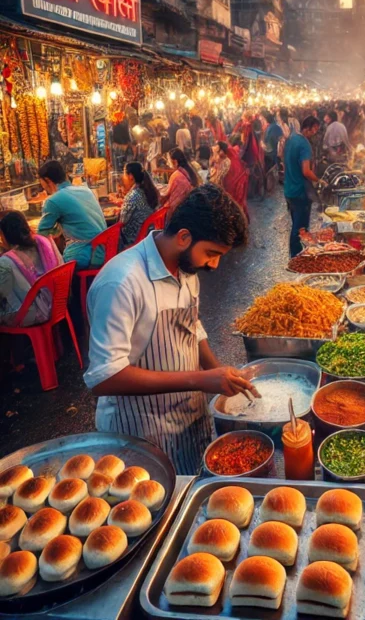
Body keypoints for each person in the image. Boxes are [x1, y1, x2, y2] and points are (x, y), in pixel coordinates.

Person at [84, 185, 256, 473]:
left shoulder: (186, 269)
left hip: (189, 422)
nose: (214, 265)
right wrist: (200, 380)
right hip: (140, 432)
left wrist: (221, 378)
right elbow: (104, 378)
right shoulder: (122, 282)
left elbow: (192, 326)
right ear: (184, 237)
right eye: (211, 253)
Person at [37, 160, 107, 268]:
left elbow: (41, 235)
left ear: (47, 180)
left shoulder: (52, 201)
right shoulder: (86, 190)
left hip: (84, 255)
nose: (43, 189)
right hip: (104, 249)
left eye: (43, 185)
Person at [0, 211, 63, 326]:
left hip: (33, 314)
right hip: (59, 303)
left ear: (5, 236)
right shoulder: (44, 241)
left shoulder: (7, 261)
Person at [284, 116, 322, 257]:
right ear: (307, 128)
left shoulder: (291, 139)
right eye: (314, 130)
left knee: (296, 223)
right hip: (300, 191)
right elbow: (306, 171)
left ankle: (296, 255)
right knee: (301, 228)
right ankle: (297, 257)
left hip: (289, 189)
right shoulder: (304, 144)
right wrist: (319, 180)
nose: (314, 133)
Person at [119, 162, 159, 249]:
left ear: (131, 176)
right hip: (147, 235)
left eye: (124, 174)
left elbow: (122, 221)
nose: (123, 178)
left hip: (133, 240)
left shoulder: (133, 195)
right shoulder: (146, 190)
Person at [211, 141, 249, 222]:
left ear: (222, 151)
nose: (217, 153)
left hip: (233, 188)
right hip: (229, 186)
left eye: (218, 151)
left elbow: (226, 179)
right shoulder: (224, 159)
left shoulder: (227, 162)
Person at [160, 148, 199, 214]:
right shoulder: (190, 170)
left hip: (178, 212)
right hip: (190, 209)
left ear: (175, 162)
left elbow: (166, 194)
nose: (167, 163)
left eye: (168, 161)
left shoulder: (176, 175)